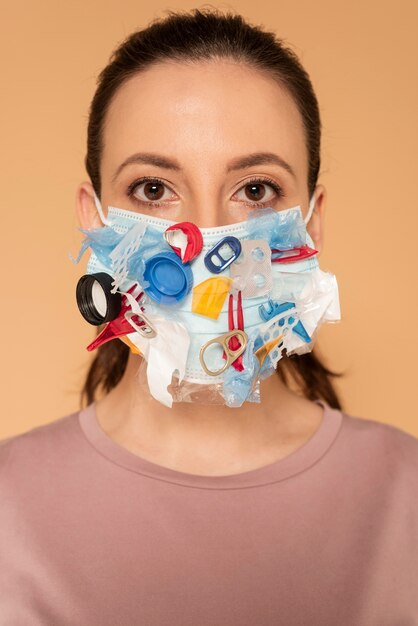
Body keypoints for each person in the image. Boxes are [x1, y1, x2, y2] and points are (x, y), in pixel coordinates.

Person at [1, 8, 417, 625]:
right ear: (95, 223)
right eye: (152, 189)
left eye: (255, 190)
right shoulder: (9, 504)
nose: (203, 240)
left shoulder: (405, 494)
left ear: (313, 220)